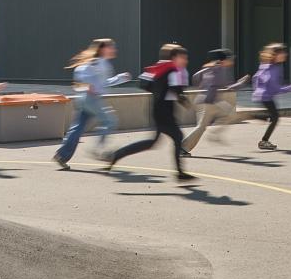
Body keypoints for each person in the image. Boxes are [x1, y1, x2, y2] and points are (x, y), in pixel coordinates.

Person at [104, 43, 193, 182]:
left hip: (158, 109)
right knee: (177, 136)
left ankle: (117, 155)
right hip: (165, 112)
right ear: (175, 57)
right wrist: (185, 101)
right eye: (183, 57)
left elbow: (148, 85)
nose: (186, 61)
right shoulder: (173, 71)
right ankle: (180, 173)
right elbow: (176, 91)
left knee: (153, 142)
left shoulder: (162, 69)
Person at [54, 37, 129, 169]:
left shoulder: (98, 62)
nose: (114, 49)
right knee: (110, 121)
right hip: (92, 98)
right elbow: (82, 73)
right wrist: (87, 84)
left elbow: (101, 82)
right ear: (103, 49)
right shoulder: (99, 62)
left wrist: (120, 78)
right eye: (111, 47)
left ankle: (62, 155)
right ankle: (98, 150)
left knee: (77, 128)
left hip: (83, 98)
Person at [182, 48, 239, 154]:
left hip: (206, 99)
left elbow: (195, 77)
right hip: (209, 101)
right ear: (223, 60)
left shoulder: (210, 67)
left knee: (230, 113)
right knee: (201, 127)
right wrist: (240, 83)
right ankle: (183, 147)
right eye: (230, 59)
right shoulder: (219, 69)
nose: (232, 61)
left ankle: (214, 133)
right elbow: (223, 85)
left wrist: (203, 86)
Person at [250, 44, 291, 150]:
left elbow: (256, 78)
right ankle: (264, 140)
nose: (285, 55)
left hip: (263, 96)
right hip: (266, 96)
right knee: (275, 118)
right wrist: (289, 88)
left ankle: (257, 117)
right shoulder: (274, 68)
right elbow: (275, 87)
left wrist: (257, 90)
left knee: (273, 117)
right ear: (276, 55)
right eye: (283, 53)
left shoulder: (266, 65)